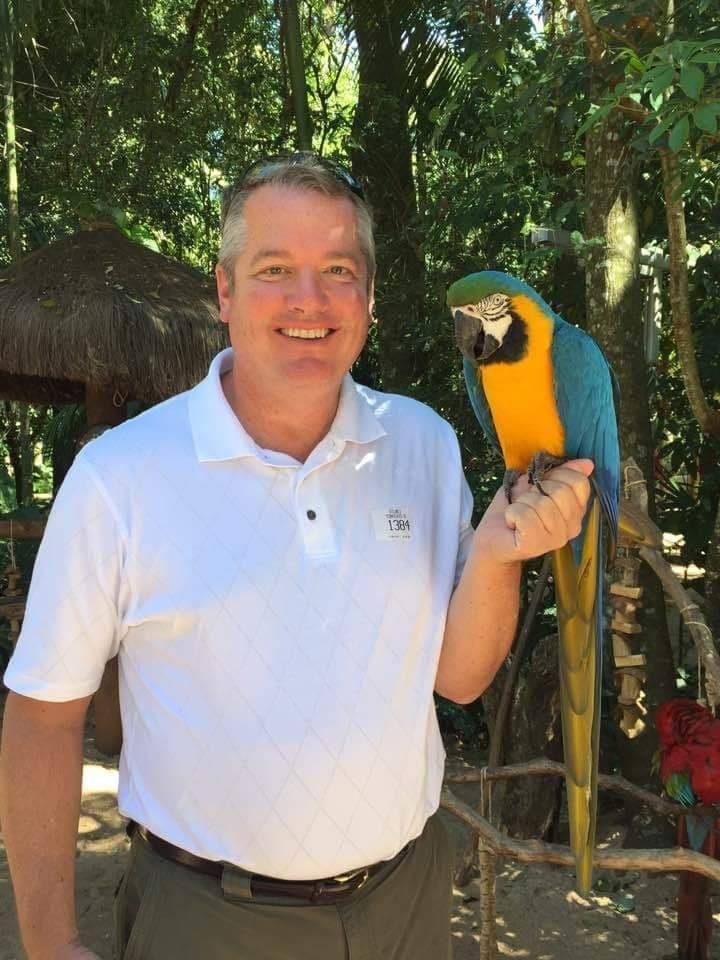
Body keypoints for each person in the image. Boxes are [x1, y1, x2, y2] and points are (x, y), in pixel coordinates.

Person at [0, 153, 592, 960]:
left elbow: (458, 679)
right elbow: (43, 713)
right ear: (225, 291)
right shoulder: (118, 476)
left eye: (338, 270)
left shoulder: (422, 442)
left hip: (407, 903)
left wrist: (496, 555)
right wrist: (48, 943)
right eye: (275, 269)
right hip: (209, 921)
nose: (308, 299)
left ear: (369, 297)